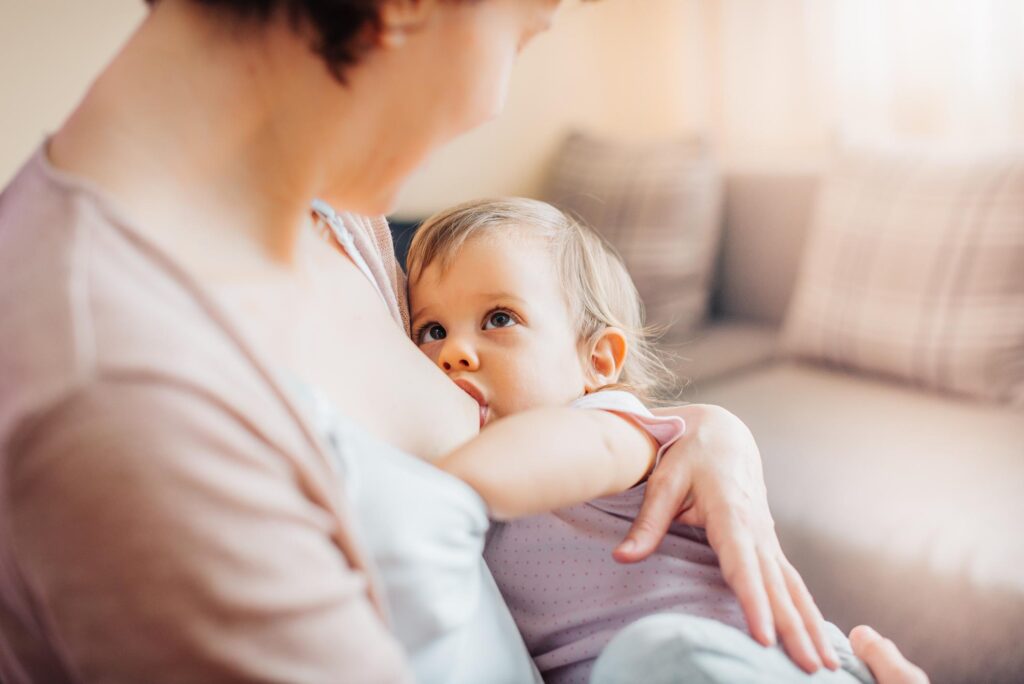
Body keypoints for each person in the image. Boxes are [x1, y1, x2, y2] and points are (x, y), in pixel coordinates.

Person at [0, 0, 926, 682]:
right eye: (524, 32)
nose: (494, 103)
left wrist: (711, 435)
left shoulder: (338, 223)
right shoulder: (115, 386)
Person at [400, 197, 872, 684]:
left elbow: (533, 459)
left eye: (499, 319)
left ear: (598, 361)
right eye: (432, 330)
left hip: (767, 660)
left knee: (653, 654)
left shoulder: (614, 427)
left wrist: (422, 487)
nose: (453, 352)